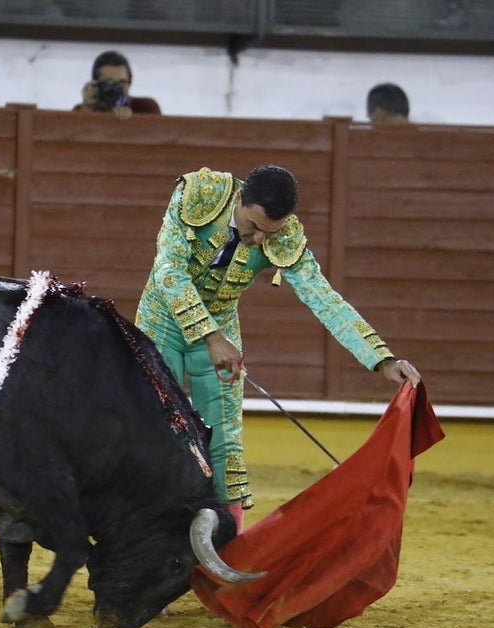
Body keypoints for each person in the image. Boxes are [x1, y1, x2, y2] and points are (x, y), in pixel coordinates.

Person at [135, 165, 421, 532]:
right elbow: (168, 272)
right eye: (253, 226)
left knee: (225, 443)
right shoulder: (201, 193)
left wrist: (381, 358)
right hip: (162, 322)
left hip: (222, 329)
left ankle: (228, 540)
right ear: (239, 199)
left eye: (268, 232)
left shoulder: (282, 236)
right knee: (157, 431)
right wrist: (210, 335)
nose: (257, 239)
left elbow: (324, 299)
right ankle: (146, 535)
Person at [73, 50, 161, 120]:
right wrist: (87, 109)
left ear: (129, 83)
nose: (116, 88)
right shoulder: (83, 110)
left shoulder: (146, 108)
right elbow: (71, 136)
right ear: (96, 85)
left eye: (121, 83)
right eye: (109, 82)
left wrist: (132, 119)